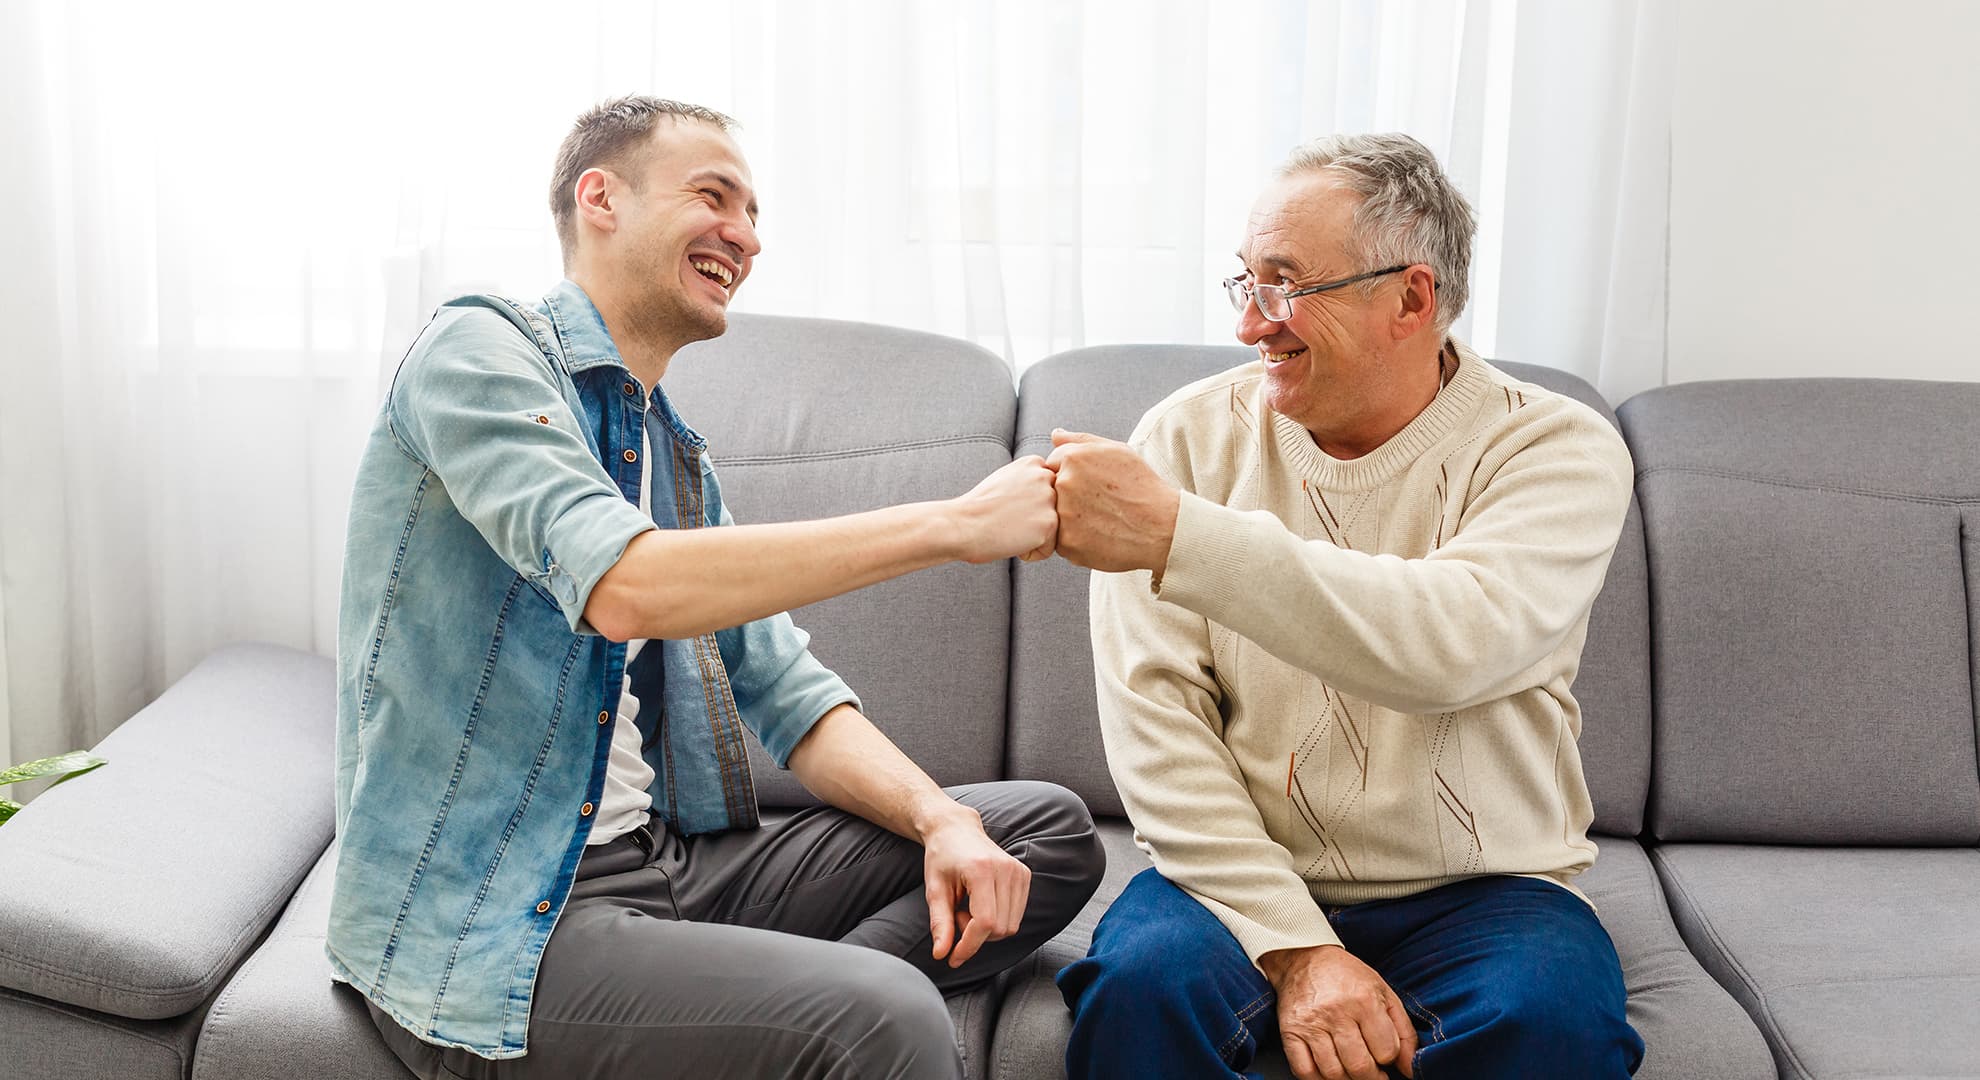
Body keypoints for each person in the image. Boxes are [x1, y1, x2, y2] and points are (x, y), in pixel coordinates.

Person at [328, 96, 1102, 1080]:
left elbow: (791, 695)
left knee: (1041, 832)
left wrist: (945, 820)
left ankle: (776, 1023)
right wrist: (953, 526)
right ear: (599, 198)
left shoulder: (671, 457)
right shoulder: (479, 352)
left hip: (659, 867)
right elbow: (624, 585)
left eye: (756, 212)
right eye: (714, 196)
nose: (746, 235)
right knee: (883, 1016)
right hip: (499, 913)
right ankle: (824, 1022)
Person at [1048, 133, 1645, 1080]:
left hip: (1487, 886)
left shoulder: (1555, 449)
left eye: (1284, 286)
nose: (1253, 324)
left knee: (1555, 1032)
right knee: (1142, 995)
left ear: (1410, 298)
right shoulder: (1185, 439)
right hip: (1232, 878)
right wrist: (1297, 946)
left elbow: (1448, 642)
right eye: (1244, 283)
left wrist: (1178, 536)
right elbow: (1155, 725)